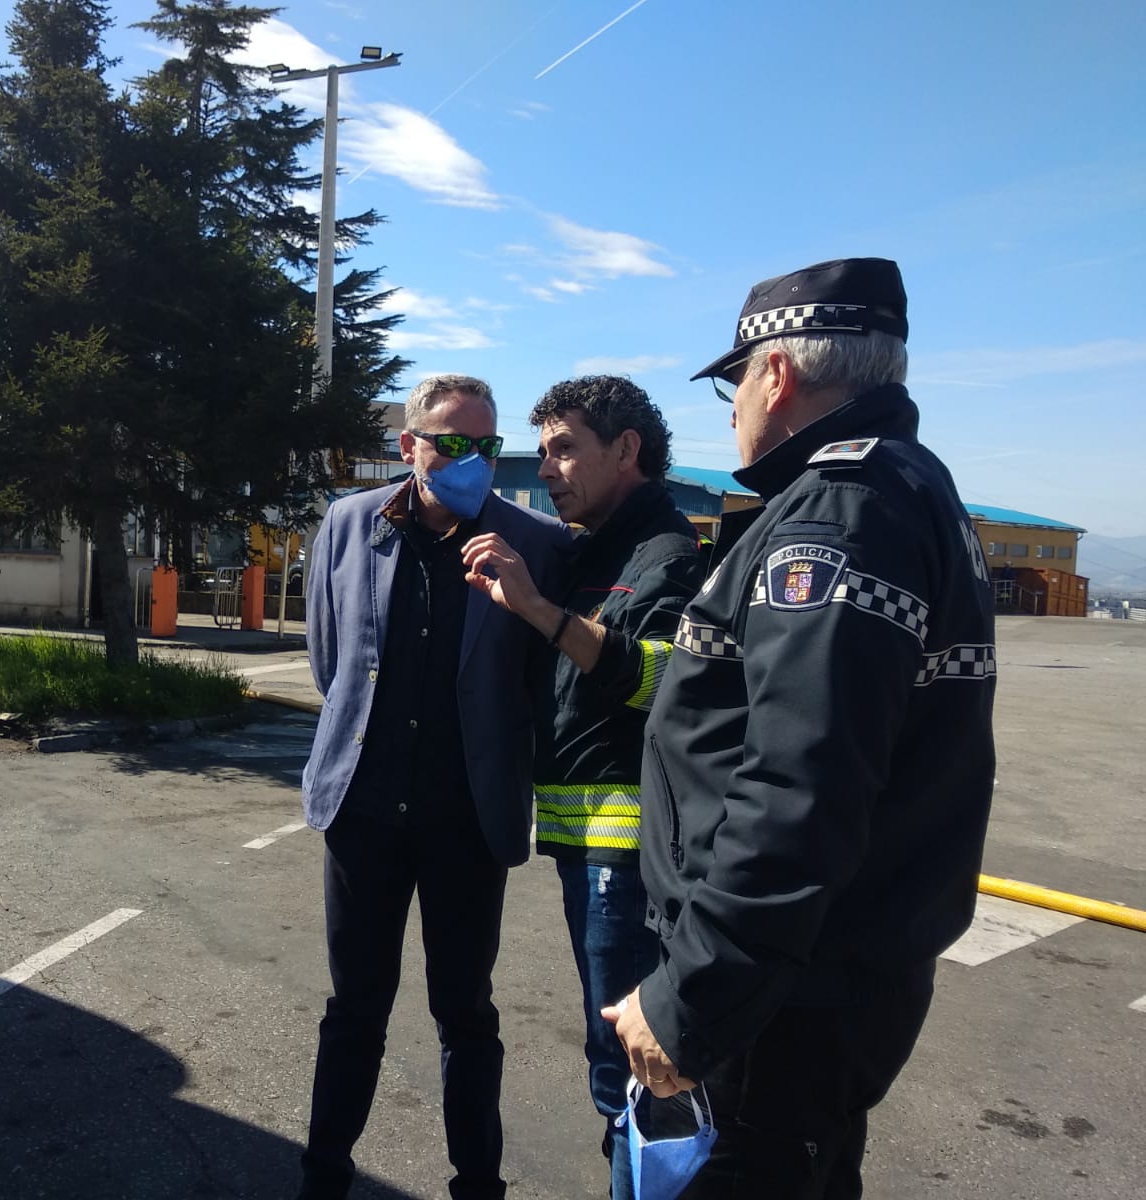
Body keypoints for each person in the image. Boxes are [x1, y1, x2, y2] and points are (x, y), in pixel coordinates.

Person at [611, 258, 997, 1197]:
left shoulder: (839, 512)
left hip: (778, 1003)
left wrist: (694, 995)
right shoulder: (903, 487)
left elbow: (800, 784)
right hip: (819, 979)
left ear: (776, 374)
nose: (734, 410)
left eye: (735, 384)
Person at [297, 374, 573, 1200]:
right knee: (355, 1009)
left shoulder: (535, 542)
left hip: (467, 820)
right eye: (452, 444)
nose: (471, 460)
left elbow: (538, 682)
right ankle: (323, 1178)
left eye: (486, 445)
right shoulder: (350, 523)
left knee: (466, 1013)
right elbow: (329, 660)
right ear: (409, 446)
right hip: (364, 812)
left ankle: (477, 1184)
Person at [459, 376, 704, 1199]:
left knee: (634, 1070)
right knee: (619, 1065)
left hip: (625, 857)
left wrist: (540, 610)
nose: (547, 468)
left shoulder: (666, 555)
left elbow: (659, 680)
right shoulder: (593, 549)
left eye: (564, 449)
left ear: (626, 449)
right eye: (544, 450)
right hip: (584, 848)